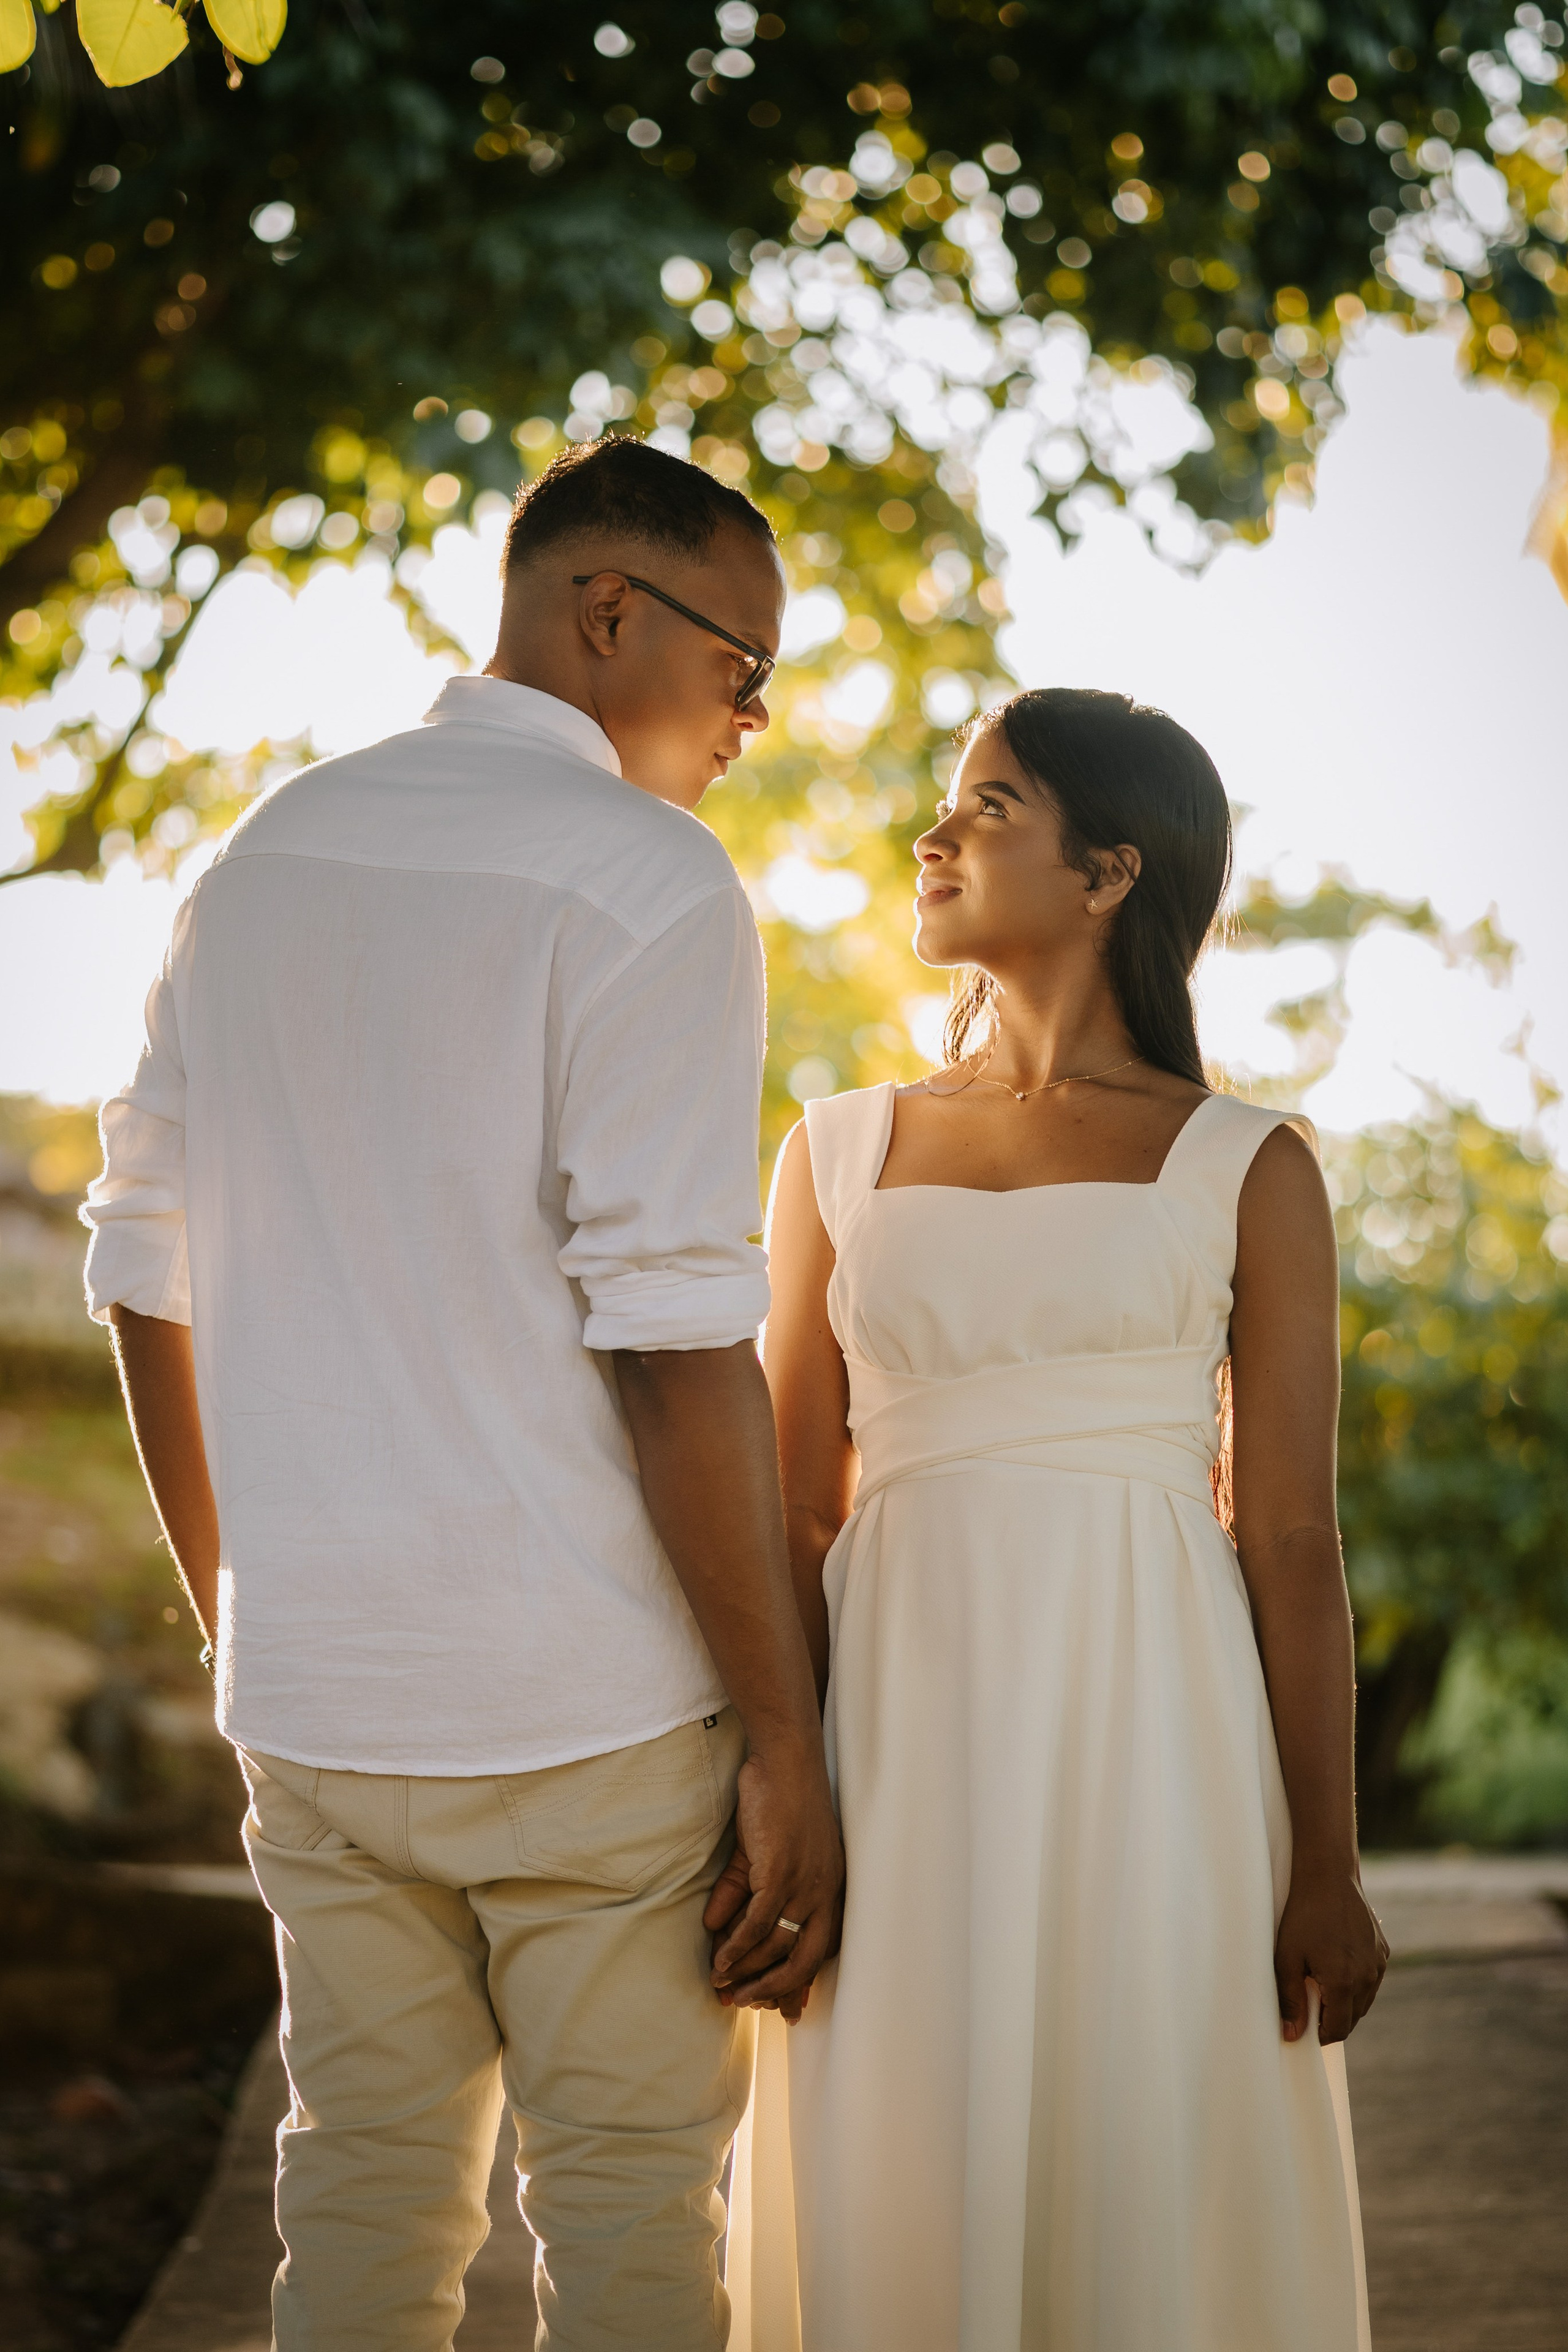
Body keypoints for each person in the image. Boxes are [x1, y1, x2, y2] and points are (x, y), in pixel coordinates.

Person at [80, 435, 842, 2351]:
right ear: (608, 612)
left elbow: (136, 1274)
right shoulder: (651, 882)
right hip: (582, 1714)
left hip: (320, 1713)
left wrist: (239, 1619)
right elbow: (678, 1348)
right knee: (635, 2238)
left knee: (353, 2217)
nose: (753, 719)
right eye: (743, 666)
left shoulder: (257, 863)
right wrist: (785, 1741)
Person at [723, 687, 1388, 2352]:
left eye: (990, 808)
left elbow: (1292, 1541)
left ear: (1110, 873)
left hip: (1157, 1735)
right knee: (902, 2155)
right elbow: (795, 1507)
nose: (934, 839)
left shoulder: (1251, 1164)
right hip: (900, 1732)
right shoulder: (834, 1150)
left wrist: (1329, 1861)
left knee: (1139, 2147)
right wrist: (781, 1785)